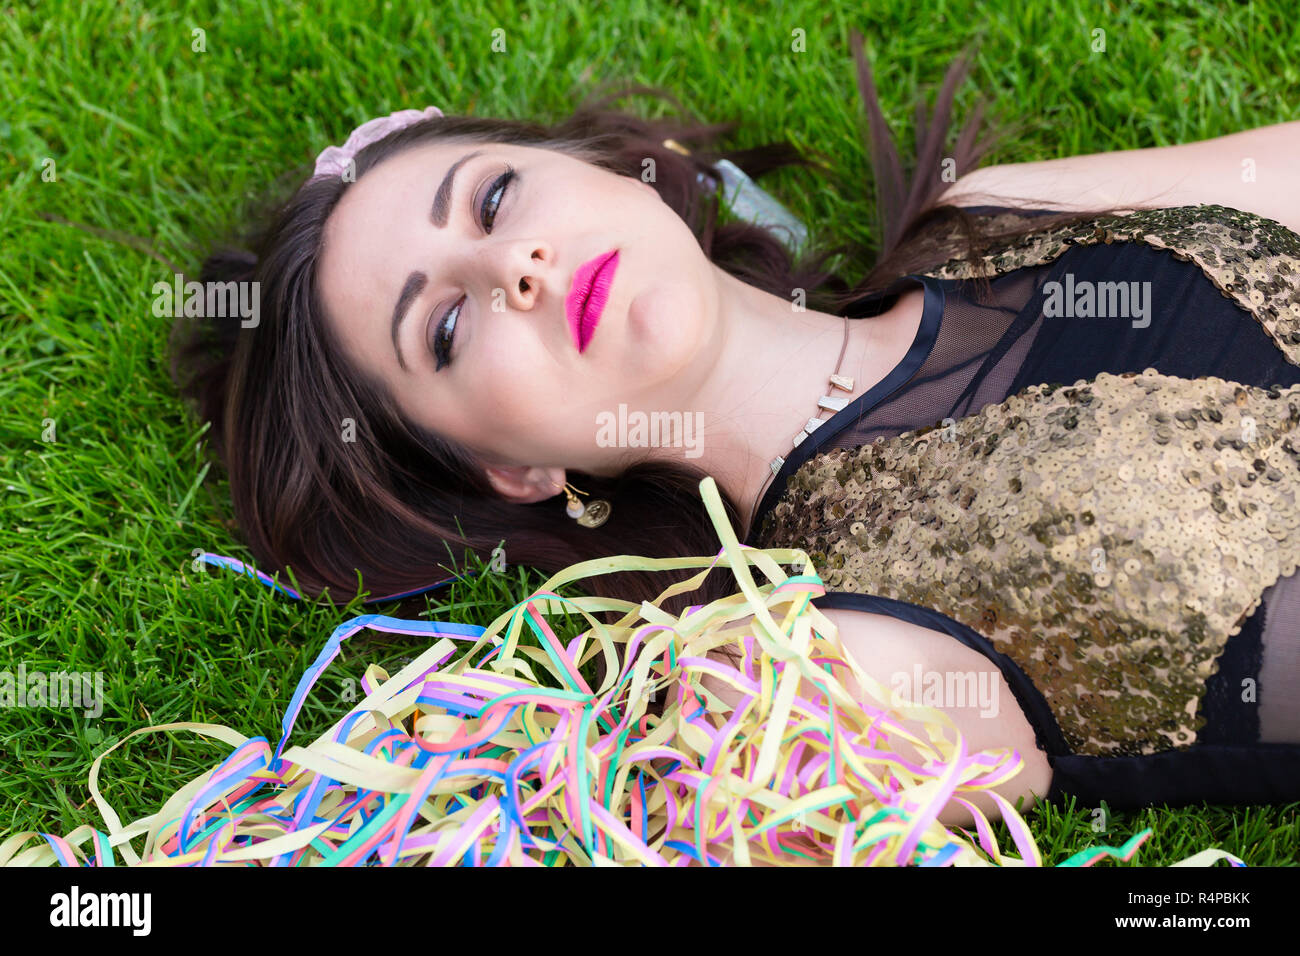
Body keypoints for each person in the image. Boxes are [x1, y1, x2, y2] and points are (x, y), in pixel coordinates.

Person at [169, 29, 1300, 829]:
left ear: (606, 170)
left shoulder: (995, 209)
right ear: (510, 469)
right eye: (450, 326)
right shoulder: (819, 664)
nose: (512, 264)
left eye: (496, 200)